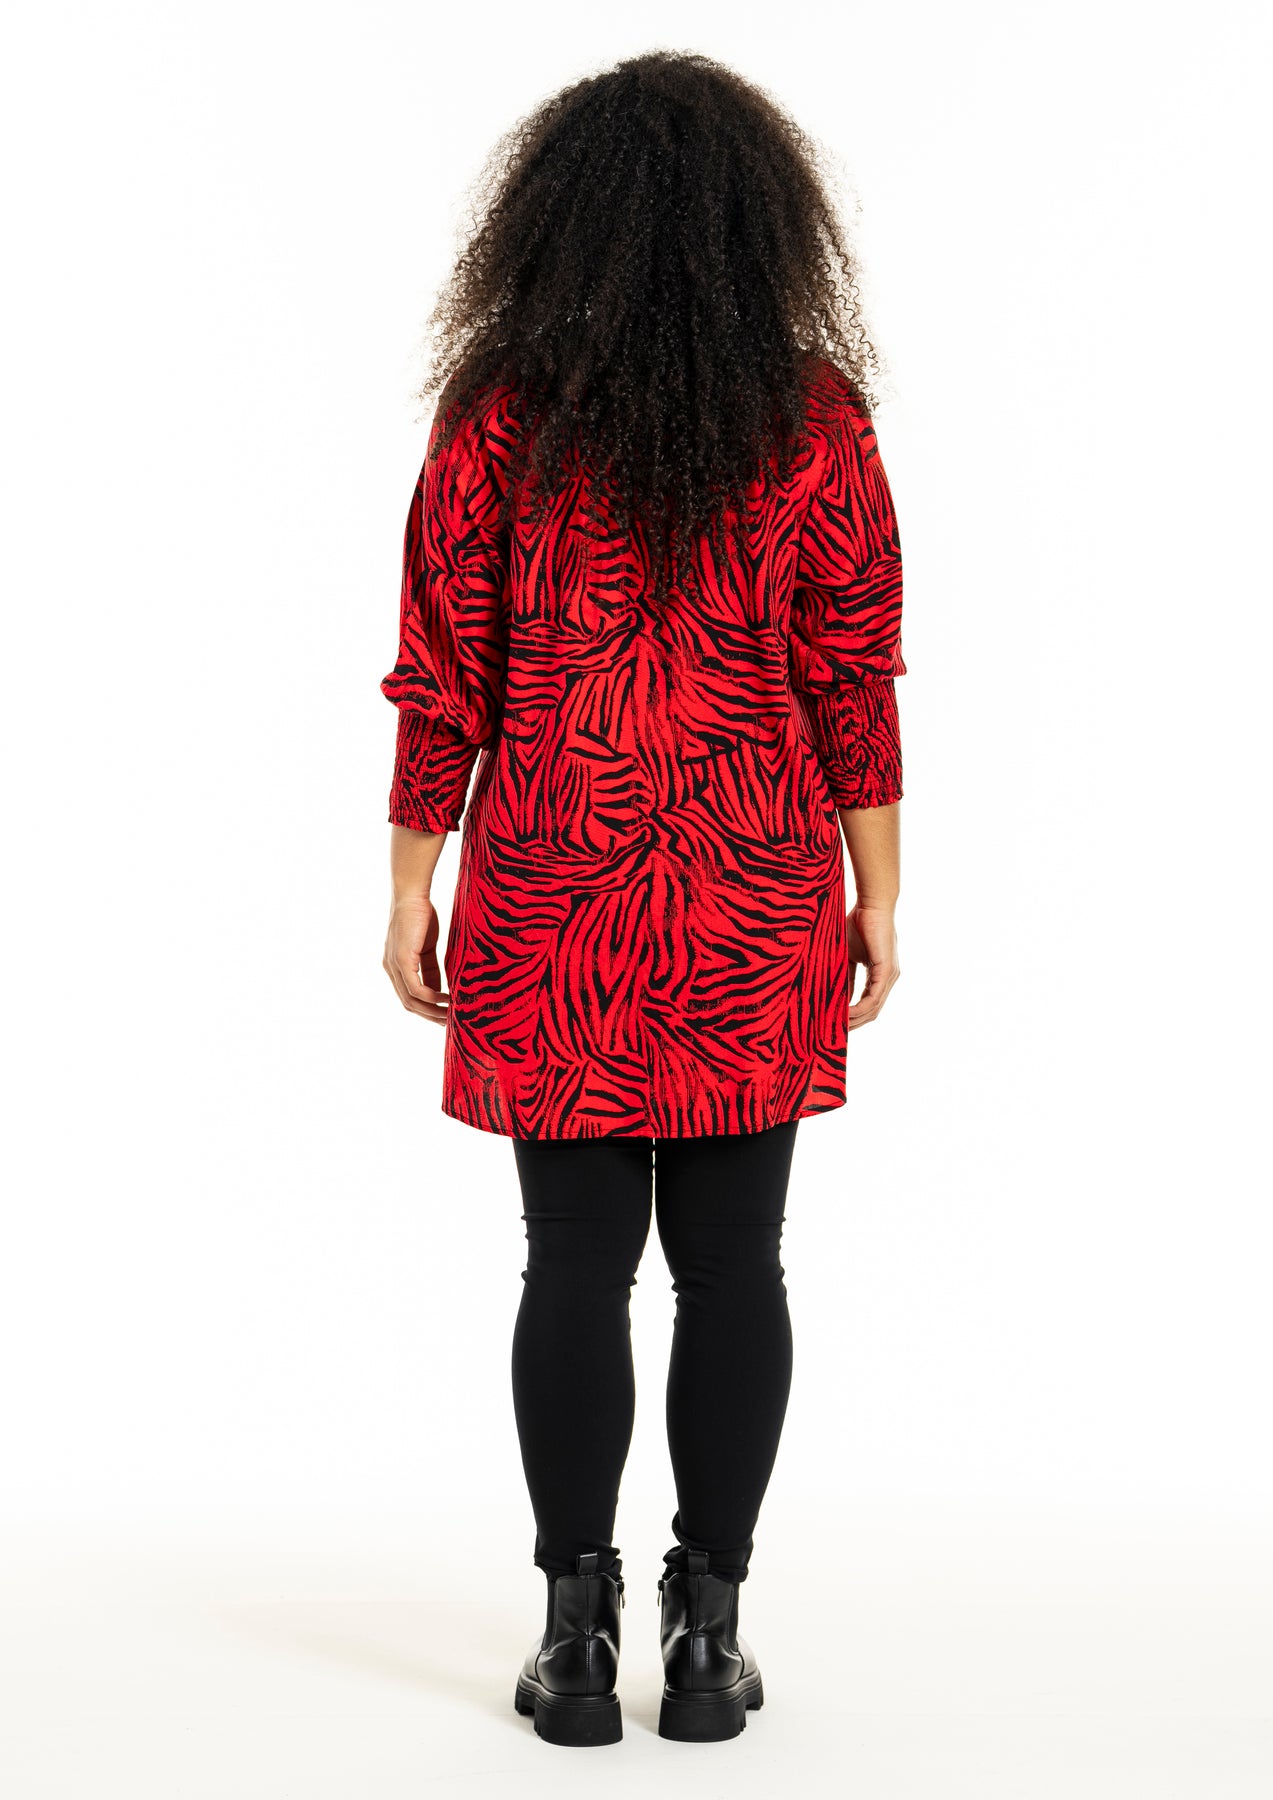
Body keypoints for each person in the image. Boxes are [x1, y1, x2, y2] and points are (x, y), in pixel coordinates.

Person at [380, 49, 905, 1748]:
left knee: (572, 1267)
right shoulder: (813, 420)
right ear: (764, 224)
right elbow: (853, 673)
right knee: (736, 1268)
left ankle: (570, 1632)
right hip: (755, 891)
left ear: (553, 221)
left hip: (553, 896)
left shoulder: (499, 419)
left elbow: (442, 678)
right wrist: (879, 893)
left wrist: (411, 882)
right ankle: (709, 1632)